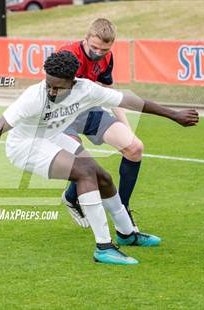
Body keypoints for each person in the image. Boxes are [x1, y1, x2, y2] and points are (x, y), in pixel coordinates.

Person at [0, 51, 198, 265]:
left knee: (103, 177)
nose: (51, 92)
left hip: (52, 136)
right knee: (84, 173)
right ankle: (104, 247)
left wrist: (174, 114)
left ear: (73, 82)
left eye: (58, 87)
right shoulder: (33, 97)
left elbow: (129, 100)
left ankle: (127, 234)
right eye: (48, 84)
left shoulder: (86, 89)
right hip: (25, 147)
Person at [59, 18, 143, 231]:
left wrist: (126, 126)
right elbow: (50, 93)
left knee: (134, 148)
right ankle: (71, 197)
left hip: (89, 111)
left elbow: (110, 92)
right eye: (94, 47)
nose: (98, 53)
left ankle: (122, 210)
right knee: (85, 163)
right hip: (61, 116)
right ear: (85, 39)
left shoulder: (107, 59)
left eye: (104, 49)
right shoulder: (68, 56)